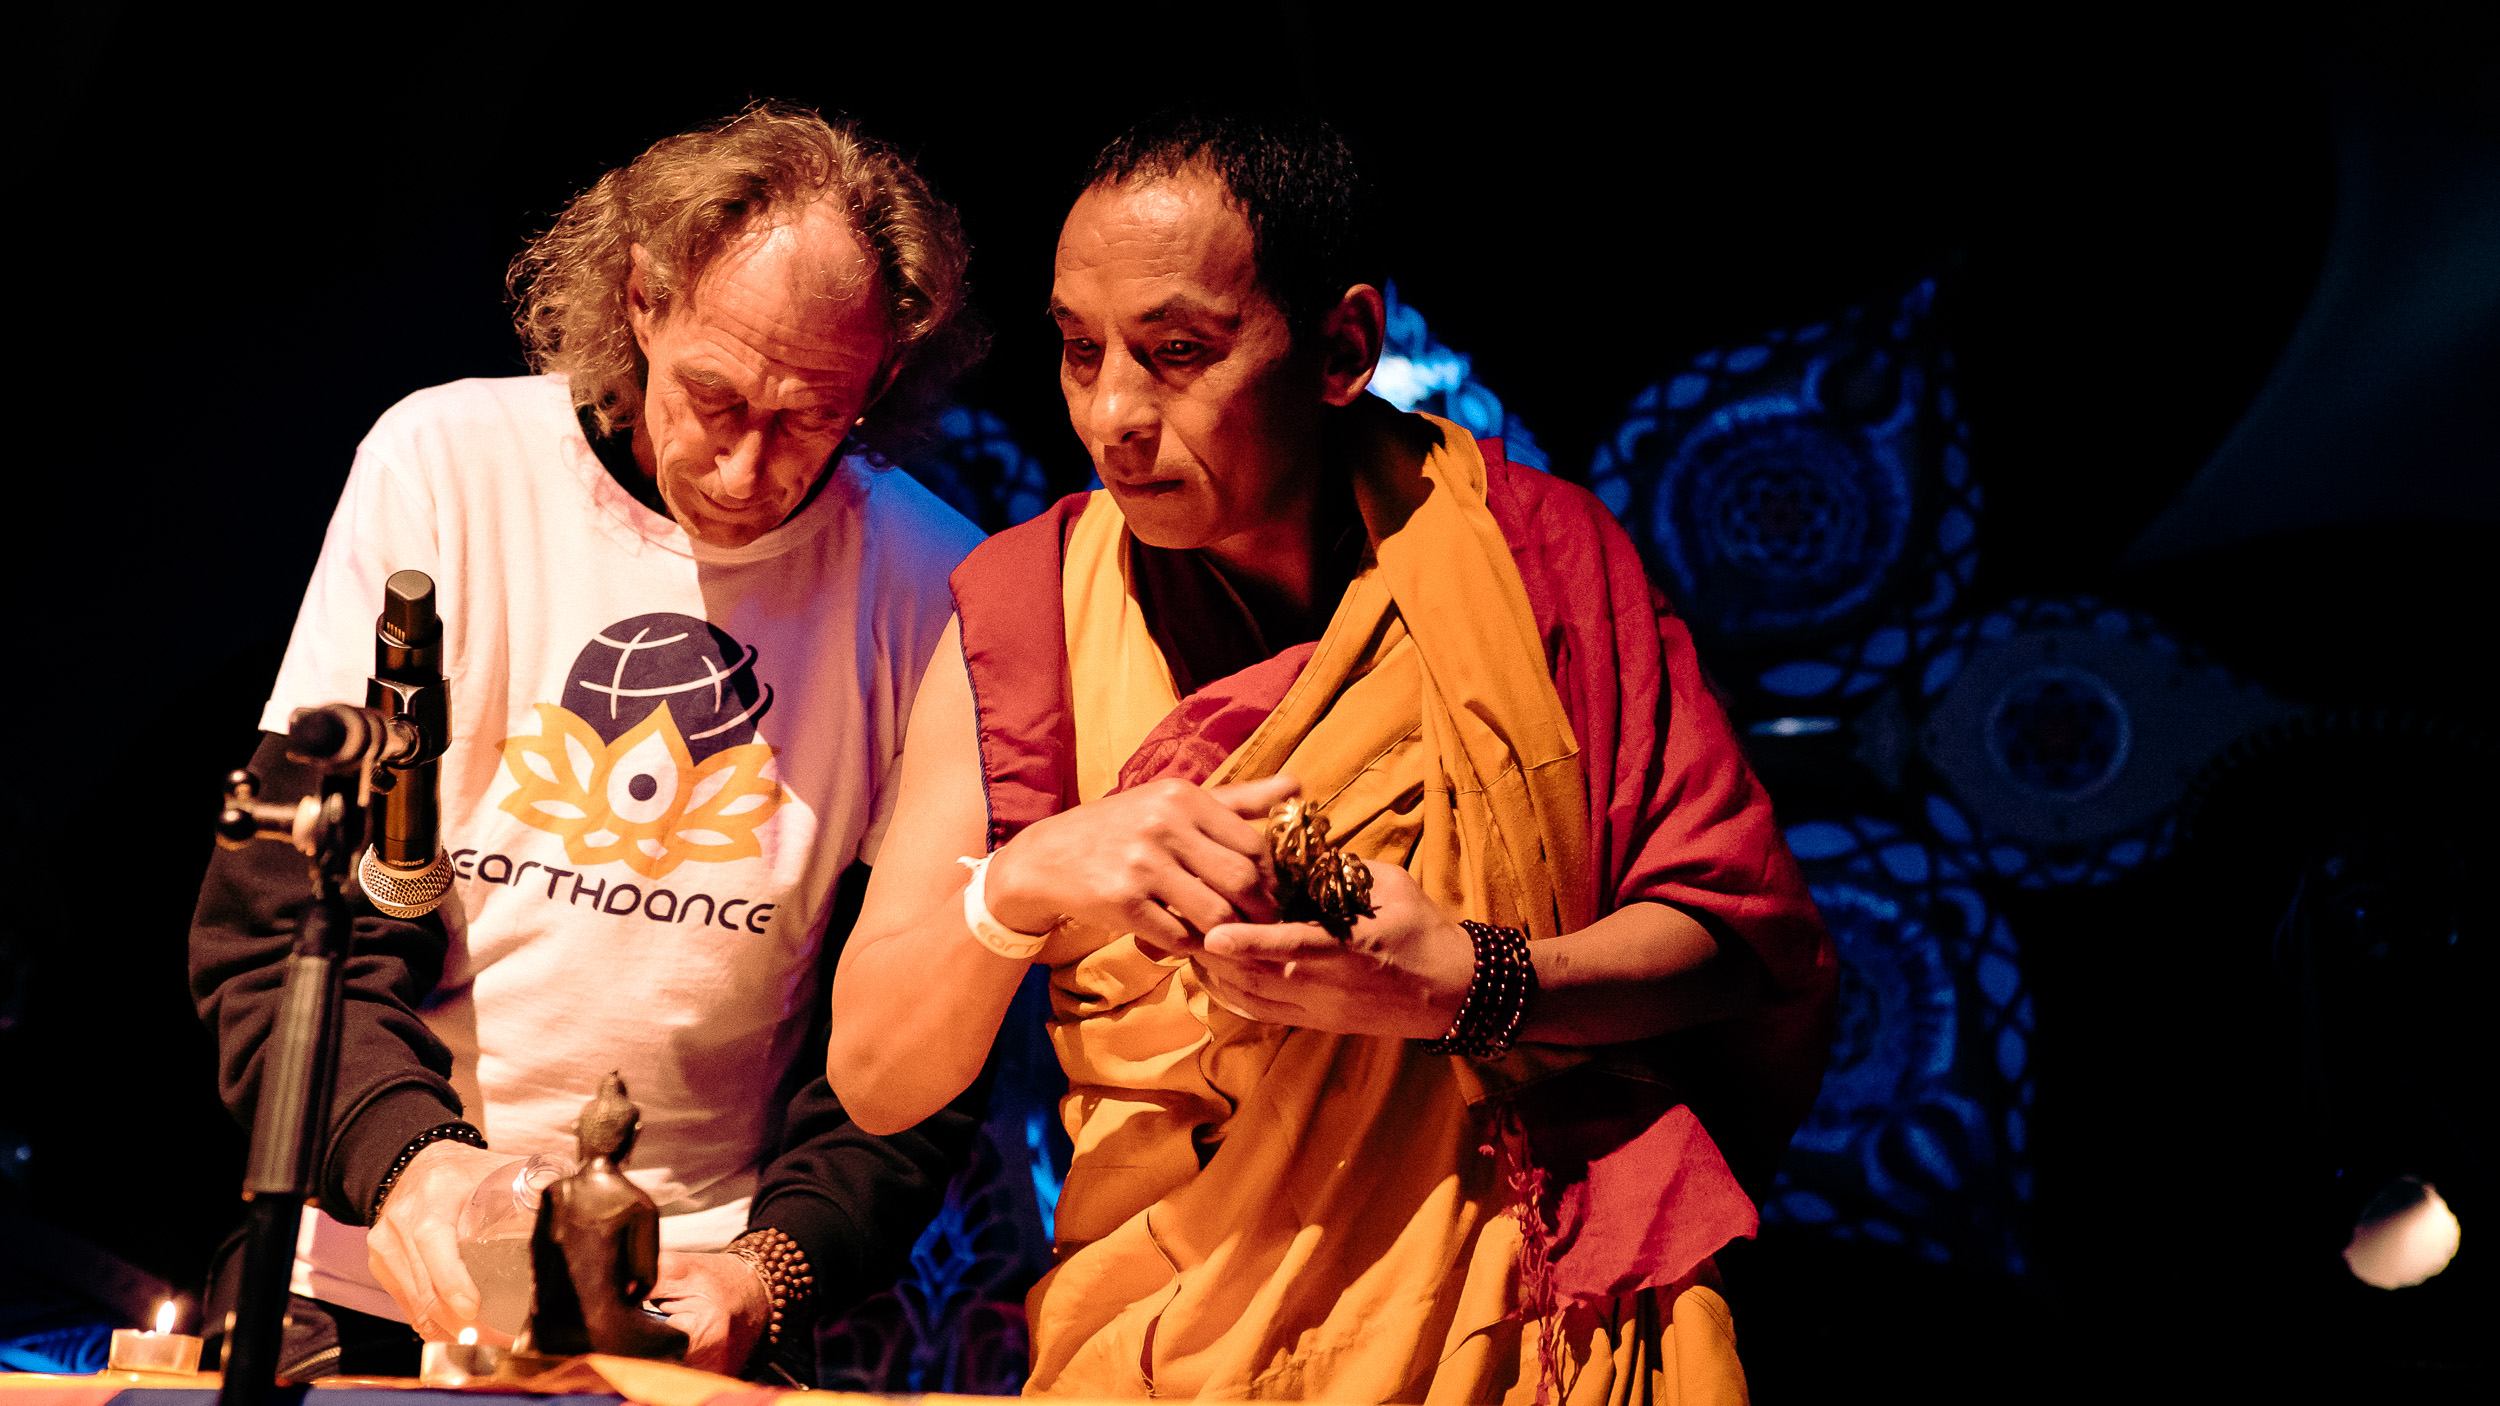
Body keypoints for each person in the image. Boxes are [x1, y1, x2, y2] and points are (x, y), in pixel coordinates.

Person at [826, 111, 1837, 1403]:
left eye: (1177, 352)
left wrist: (1474, 982)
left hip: (1531, 1326)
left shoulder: (1530, 554)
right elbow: (875, 1077)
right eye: (1080, 350)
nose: (1114, 413)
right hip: (1176, 1341)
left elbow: (1735, 938)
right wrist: (1026, 879)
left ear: (1344, 346)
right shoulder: (1023, 613)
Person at [190, 102, 990, 1381]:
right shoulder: (448, 462)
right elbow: (277, 922)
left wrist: (767, 1269)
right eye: (714, 397)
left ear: (883, 377)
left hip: (686, 1304)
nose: (743, 469)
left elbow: (913, 1055)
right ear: (642, 299)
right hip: (366, 1261)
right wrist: (415, 1167)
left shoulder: (932, 582)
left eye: (808, 418)